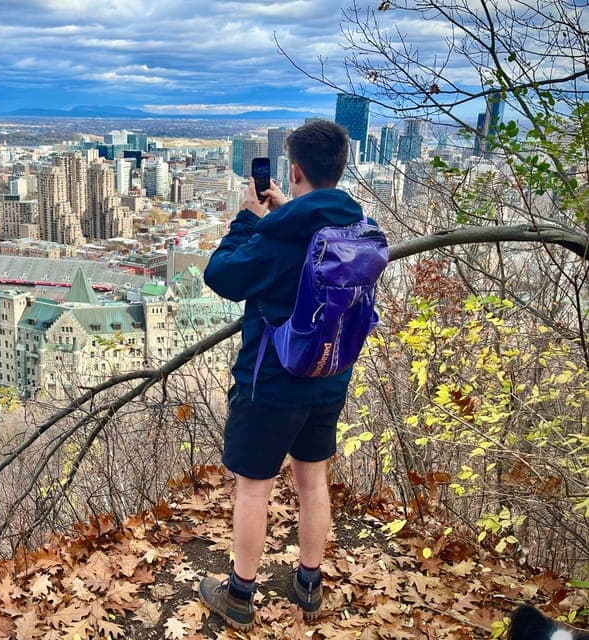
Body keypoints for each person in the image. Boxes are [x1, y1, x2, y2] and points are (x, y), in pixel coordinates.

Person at [199, 120, 373, 631]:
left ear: (293, 170)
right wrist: (284, 213)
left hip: (272, 382)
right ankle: (309, 584)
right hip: (330, 376)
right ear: (338, 169)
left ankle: (239, 595)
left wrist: (248, 220)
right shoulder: (357, 229)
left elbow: (222, 275)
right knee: (313, 482)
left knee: (253, 490)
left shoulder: (279, 237)